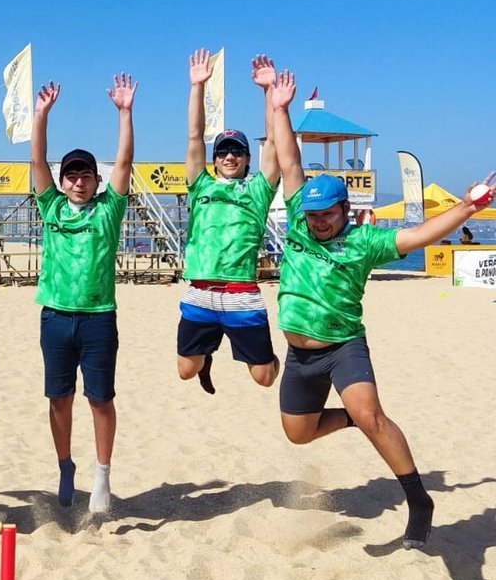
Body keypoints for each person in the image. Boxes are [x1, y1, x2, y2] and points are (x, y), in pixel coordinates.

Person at [271, 68, 494, 549]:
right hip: (298, 354)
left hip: (343, 345)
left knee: (371, 413)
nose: (318, 221)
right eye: (312, 214)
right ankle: (351, 416)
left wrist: (467, 209)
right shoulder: (297, 224)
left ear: (345, 209)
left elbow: (416, 236)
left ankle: (418, 499)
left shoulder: (365, 241)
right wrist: (280, 106)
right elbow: (289, 160)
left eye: (327, 213)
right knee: (298, 433)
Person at [29, 74, 135, 514]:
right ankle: (65, 465)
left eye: (85, 175)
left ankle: (103, 474)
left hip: (97, 317)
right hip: (55, 316)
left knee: (101, 398)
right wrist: (41, 115)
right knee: (59, 398)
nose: (77, 182)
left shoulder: (109, 210)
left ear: (95, 180)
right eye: (70, 175)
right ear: (62, 180)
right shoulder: (50, 205)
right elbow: (36, 161)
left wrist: (125, 113)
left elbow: (125, 164)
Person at [178, 51, 281, 395]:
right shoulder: (201, 184)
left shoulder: (257, 189)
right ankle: (205, 357)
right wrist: (197, 86)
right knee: (185, 371)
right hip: (201, 291)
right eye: (223, 152)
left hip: (242, 294)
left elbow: (276, 141)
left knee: (264, 377)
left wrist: (269, 92)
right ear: (215, 158)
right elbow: (194, 138)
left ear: (247, 158)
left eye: (237, 151)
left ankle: (278, 356)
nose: (229, 156)